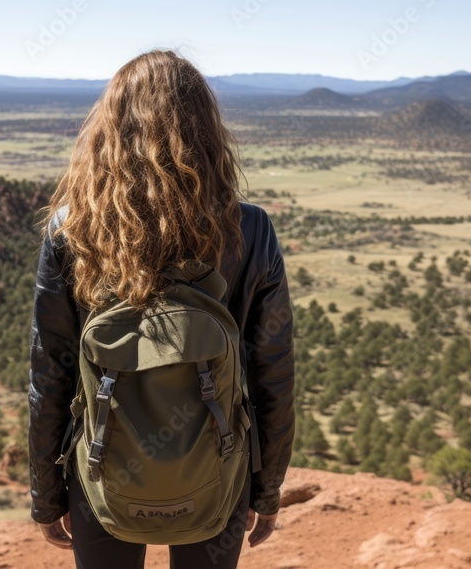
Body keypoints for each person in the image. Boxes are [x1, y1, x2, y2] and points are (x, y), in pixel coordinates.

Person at [28, 49, 295, 569]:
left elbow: (50, 375)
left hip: (101, 473)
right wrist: (265, 491)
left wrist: (46, 496)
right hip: (218, 474)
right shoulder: (251, 230)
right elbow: (273, 376)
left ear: (108, 131)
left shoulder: (71, 229)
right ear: (207, 131)